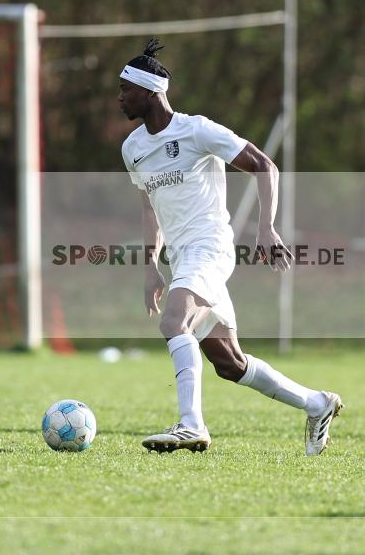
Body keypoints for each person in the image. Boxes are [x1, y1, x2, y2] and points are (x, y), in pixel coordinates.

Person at [118, 38, 341, 456]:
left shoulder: (197, 129)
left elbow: (263, 164)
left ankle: (191, 425)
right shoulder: (132, 148)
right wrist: (151, 265)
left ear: (149, 91)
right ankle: (317, 403)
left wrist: (266, 228)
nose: (119, 98)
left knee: (173, 323)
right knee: (230, 363)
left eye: (125, 89)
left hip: (211, 248)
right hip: (183, 257)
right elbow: (149, 208)